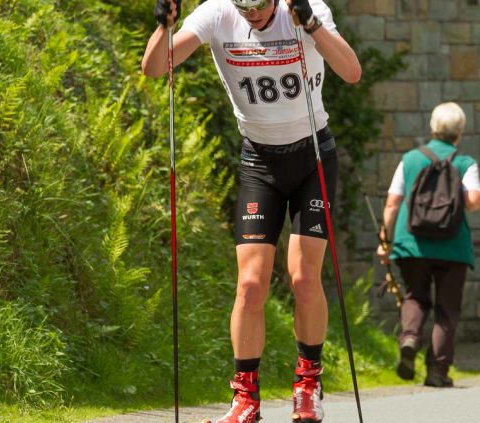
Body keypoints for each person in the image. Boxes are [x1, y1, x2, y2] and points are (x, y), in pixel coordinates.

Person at [141, 0, 362, 421]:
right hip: (260, 161)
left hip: (312, 155)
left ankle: (308, 385)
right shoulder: (218, 13)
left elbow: (352, 72)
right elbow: (155, 68)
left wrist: (312, 26)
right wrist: (163, 25)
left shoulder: (307, 8)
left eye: (260, 6)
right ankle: (245, 398)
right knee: (250, 286)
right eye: (245, 8)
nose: (253, 15)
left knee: (302, 276)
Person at [376, 102, 480, 388]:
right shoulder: (465, 162)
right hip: (453, 245)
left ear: (432, 128)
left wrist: (385, 240)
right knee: (447, 309)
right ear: (459, 131)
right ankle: (437, 372)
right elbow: (474, 201)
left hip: (412, 243)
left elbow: (392, 203)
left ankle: (410, 337)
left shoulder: (410, 159)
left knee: (414, 296)